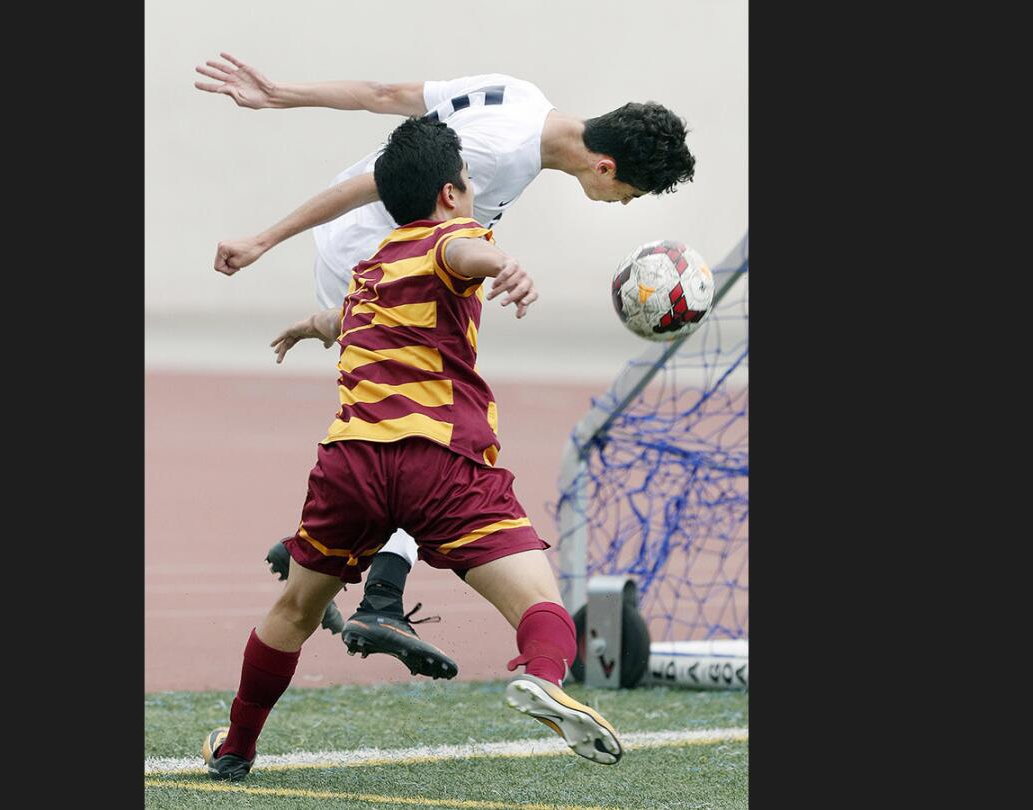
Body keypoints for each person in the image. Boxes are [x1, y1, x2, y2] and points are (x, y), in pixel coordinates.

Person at [196, 53, 696, 679]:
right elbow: (375, 180)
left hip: (390, 260)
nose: (620, 203)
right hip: (382, 258)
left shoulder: (522, 94)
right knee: (432, 422)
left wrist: (282, 92)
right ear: (605, 166)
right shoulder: (497, 157)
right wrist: (263, 239)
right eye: (629, 192)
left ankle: (335, 550)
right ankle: (379, 597)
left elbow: (387, 90)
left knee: (401, 424)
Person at [203, 116, 621, 781]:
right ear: (452, 194)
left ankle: (238, 745)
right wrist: (503, 263)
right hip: (437, 461)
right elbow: (464, 254)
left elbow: (345, 317)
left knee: (294, 611)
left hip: (351, 465)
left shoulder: (373, 267)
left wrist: (313, 327)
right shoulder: (455, 237)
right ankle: (543, 677)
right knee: (538, 599)